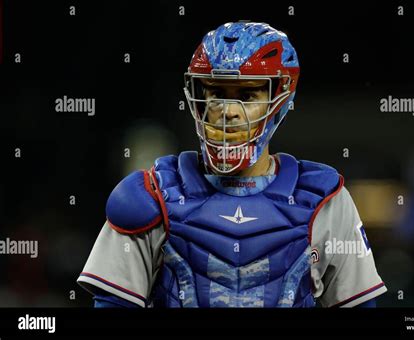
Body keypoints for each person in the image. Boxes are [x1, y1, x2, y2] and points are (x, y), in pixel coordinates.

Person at [77, 21, 387, 308]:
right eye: (216, 93)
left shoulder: (324, 201)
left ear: (279, 99)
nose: (228, 111)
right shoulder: (151, 196)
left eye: (248, 94)